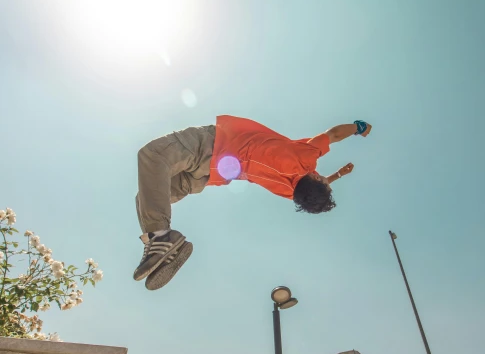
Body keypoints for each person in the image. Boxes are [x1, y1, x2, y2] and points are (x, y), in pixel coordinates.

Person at [134, 115, 372, 290]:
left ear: (314, 176)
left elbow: (334, 134)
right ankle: (159, 240)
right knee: (148, 195)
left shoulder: (305, 158)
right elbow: (315, 191)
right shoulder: (290, 191)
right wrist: (336, 176)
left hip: (211, 147)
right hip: (209, 176)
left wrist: (358, 127)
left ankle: (161, 236)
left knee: (152, 155)